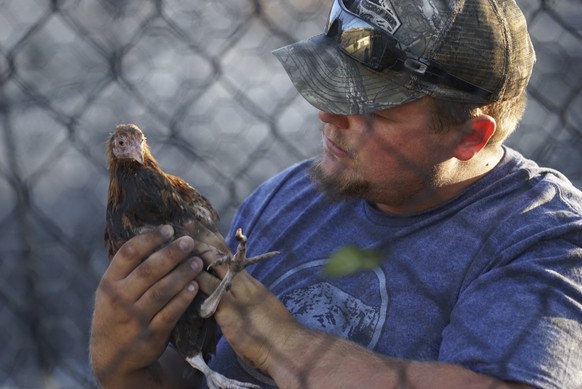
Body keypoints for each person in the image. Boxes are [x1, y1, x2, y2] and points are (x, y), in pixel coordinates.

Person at [89, 0, 582, 388]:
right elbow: (194, 376)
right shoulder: (285, 199)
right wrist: (126, 367)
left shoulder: (545, 240)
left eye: (373, 107)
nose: (327, 113)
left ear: (470, 136)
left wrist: (284, 345)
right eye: (332, 82)